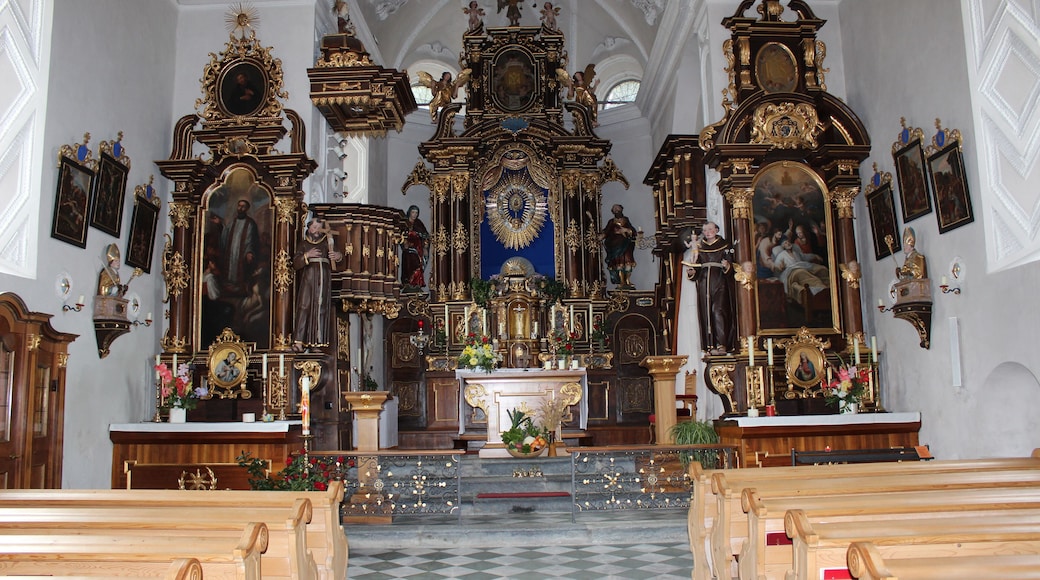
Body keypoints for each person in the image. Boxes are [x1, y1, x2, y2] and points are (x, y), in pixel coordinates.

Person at [292, 218, 343, 353]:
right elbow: (296, 263)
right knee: (304, 306)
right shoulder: (303, 244)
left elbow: (338, 255)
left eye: (319, 228)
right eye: (314, 227)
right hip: (308, 279)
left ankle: (316, 343)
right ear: (309, 228)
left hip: (324, 279)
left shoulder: (327, 242)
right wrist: (307, 255)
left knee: (321, 308)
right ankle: (298, 341)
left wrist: (337, 256)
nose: (316, 231)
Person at [688, 222, 736, 355]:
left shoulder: (725, 245)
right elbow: (696, 267)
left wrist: (727, 265)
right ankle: (710, 346)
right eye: (705, 230)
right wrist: (692, 272)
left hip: (720, 281)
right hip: (704, 282)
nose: (707, 232)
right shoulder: (699, 246)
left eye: (710, 229)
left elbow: (731, 264)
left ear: (716, 230)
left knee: (718, 311)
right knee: (706, 313)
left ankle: (722, 343)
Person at [219, 198, 260, 297]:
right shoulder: (232, 222)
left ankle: (240, 288)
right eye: (239, 206)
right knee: (230, 266)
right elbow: (226, 233)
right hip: (232, 250)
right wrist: (221, 224)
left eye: (243, 206)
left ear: (247, 209)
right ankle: (229, 286)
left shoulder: (250, 223)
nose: (240, 208)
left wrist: (250, 252)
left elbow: (252, 240)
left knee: (241, 269)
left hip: (243, 251)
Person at [771, 237, 830, 304]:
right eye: (785, 243)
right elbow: (777, 265)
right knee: (801, 272)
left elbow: (805, 257)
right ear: (783, 246)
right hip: (792, 272)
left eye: (788, 242)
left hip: (803, 267)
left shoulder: (796, 253)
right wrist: (779, 266)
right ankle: (821, 288)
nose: (788, 243)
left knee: (822, 269)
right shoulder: (781, 255)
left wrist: (815, 256)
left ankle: (828, 287)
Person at [601, 204, 637, 289]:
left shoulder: (626, 220)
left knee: (628, 263)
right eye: (614, 209)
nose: (616, 210)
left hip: (626, 245)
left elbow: (633, 231)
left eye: (618, 208)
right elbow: (606, 231)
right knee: (619, 265)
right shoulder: (611, 222)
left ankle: (627, 280)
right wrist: (601, 235)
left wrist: (626, 230)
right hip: (615, 246)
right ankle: (621, 281)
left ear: (621, 209)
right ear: (613, 212)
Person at [400, 205, 430, 292]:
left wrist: (425, 246)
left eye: (416, 213)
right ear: (409, 212)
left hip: (418, 249)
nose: (414, 215)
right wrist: (404, 243)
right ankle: (408, 283)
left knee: (417, 265)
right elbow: (400, 236)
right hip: (408, 250)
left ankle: (416, 283)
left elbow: (425, 236)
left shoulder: (419, 224)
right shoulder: (404, 223)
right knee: (408, 266)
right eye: (413, 212)